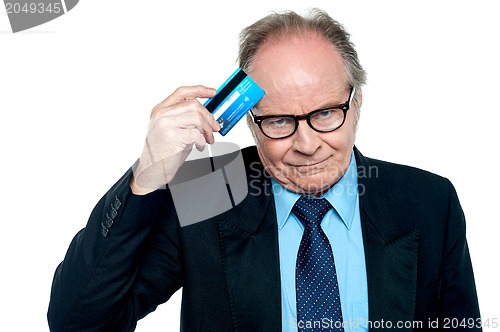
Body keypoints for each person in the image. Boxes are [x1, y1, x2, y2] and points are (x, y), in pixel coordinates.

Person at [47, 8, 481, 331]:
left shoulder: (428, 201)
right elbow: (80, 322)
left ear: (358, 103)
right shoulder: (212, 190)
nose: (307, 145)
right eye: (279, 122)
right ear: (250, 123)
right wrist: (149, 175)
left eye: (327, 113)